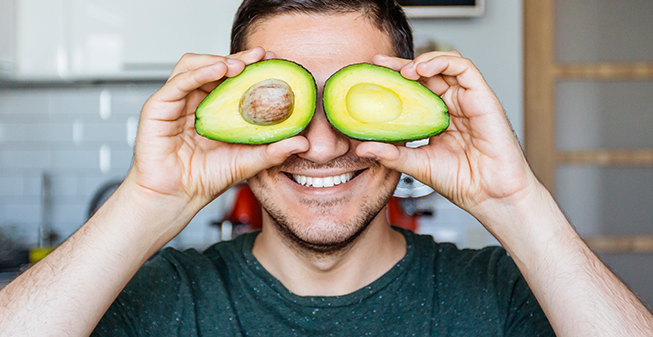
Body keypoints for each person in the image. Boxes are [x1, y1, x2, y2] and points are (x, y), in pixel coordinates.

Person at [1, 0, 652, 335]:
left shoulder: (502, 294)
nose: (319, 144)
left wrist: (515, 199)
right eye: (286, 105)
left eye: (354, 102)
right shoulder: (159, 298)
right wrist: (146, 198)